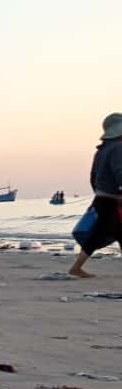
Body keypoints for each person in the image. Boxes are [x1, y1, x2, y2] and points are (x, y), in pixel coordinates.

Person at [70, 112, 122, 278]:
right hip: (111, 200)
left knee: (118, 232)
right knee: (98, 234)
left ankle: (77, 267)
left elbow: (93, 177)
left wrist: (100, 192)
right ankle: (76, 267)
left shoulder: (101, 151)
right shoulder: (118, 148)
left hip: (102, 198)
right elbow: (120, 173)